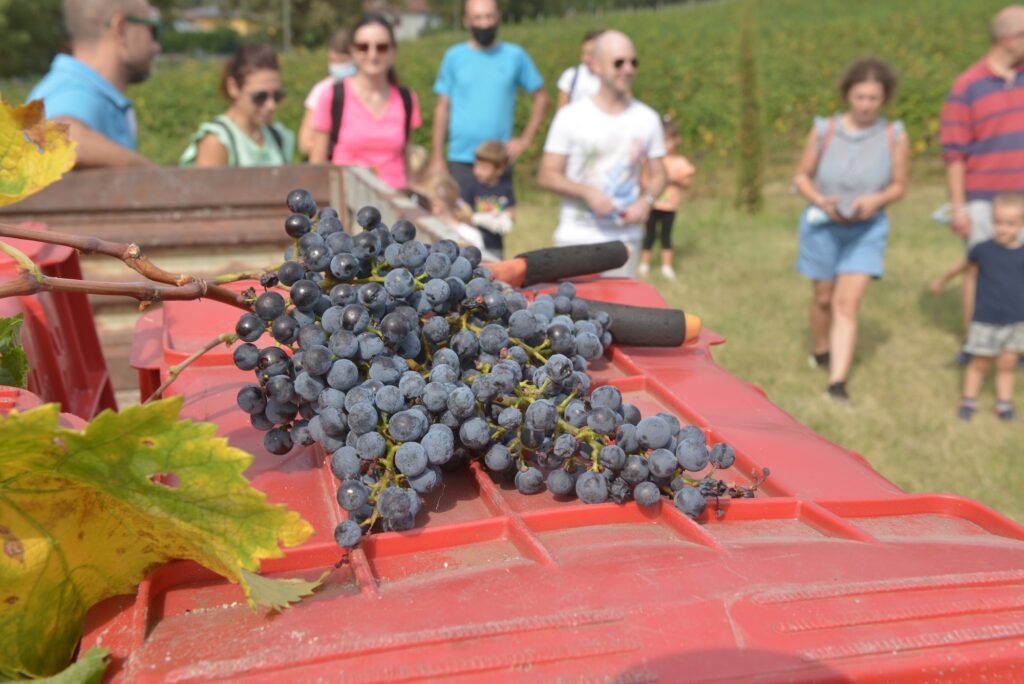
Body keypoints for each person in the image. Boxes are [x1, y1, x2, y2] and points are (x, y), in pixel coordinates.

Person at [792, 58, 909, 401]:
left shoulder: (894, 135)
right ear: (848, 95)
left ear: (884, 99)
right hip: (822, 227)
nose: (866, 105)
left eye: (874, 98)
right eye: (860, 97)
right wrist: (820, 200)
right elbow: (800, 176)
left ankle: (837, 383)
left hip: (867, 230)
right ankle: (821, 347)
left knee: (847, 304)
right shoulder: (824, 129)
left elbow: (900, 185)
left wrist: (877, 199)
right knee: (824, 297)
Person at [537, 30, 666, 278]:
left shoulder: (647, 118)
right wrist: (587, 192)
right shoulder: (570, 116)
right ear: (596, 65)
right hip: (576, 238)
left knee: (621, 315)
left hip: (625, 240)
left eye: (633, 62)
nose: (628, 69)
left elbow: (660, 174)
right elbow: (547, 174)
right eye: (619, 62)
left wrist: (646, 202)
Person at [941, 5, 1024, 364]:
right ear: (1011, 39)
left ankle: (1015, 342)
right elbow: (954, 154)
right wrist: (959, 208)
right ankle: (976, 343)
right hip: (983, 200)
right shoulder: (967, 86)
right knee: (980, 271)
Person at [429, 0, 549, 196]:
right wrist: (436, 156)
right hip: (461, 158)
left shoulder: (515, 56)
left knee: (494, 222)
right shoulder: (454, 57)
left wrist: (525, 140)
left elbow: (542, 97)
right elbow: (442, 107)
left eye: (489, 16)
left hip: (497, 161)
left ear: (498, 17)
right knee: (458, 222)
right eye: (478, 17)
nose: (484, 24)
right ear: (466, 20)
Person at [28, 0, 161, 167]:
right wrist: (157, 178)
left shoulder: (83, 91)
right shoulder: (73, 92)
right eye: (153, 30)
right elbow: (58, 139)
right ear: (121, 30)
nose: (157, 47)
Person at [309, 14, 422, 190]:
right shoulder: (332, 96)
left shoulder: (407, 98)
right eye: (363, 47)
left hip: (396, 200)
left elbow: (407, 163)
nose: (372, 54)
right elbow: (317, 167)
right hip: (348, 202)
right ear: (352, 51)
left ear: (393, 51)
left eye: (381, 47)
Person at [956, 192, 1024, 422]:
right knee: (980, 362)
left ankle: (1003, 403)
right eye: (998, 222)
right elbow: (965, 270)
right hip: (986, 318)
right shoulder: (983, 250)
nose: (1003, 229)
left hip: (1016, 321)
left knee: (1007, 363)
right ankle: (968, 400)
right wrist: (942, 280)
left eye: (1010, 224)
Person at [179, 44, 294, 167]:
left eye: (277, 96)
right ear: (233, 88)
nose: (271, 105)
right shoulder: (218, 141)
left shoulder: (279, 137)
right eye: (260, 97)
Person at [638, 115, 694, 279]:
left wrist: (673, 179)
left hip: (669, 206)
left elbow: (687, 183)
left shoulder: (680, 162)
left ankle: (666, 267)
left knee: (666, 236)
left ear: (676, 141)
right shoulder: (650, 161)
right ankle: (644, 264)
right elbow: (643, 180)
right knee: (649, 235)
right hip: (652, 204)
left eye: (668, 140)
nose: (665, 145)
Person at [298, 29, 354, 159]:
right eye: (334, 62)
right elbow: (305, 143)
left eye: (343, 62)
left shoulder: (370, 92)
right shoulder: (322, 90)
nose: (338, 67)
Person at [459, 140, 515, 258]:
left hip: (496, 246)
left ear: (499, 169)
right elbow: (462, 211)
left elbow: (511, 210)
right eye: (476, 166)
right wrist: (478, 218)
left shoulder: (505, 188)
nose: (477, 171)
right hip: (473, 244)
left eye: (484, 168)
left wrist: (506, 218)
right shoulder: (471, 186)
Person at [556, 29, 604, 110]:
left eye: (590, 54)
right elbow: (561, 112)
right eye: (583, 53)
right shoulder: (571, 75)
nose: (585, 59)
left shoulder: (615, 77)